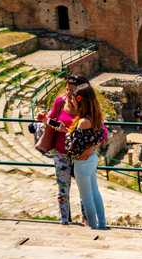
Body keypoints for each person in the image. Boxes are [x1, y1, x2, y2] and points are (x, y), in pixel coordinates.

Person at [36, 74, 97, 225]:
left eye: (72, 90)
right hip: (61, 152)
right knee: (63, 189)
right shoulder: (60, 102)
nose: (68, 93)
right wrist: (44, 119)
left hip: (80, 155)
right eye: (67, 89)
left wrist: (92, 147)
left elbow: (101, 131)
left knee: (84, 189)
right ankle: (64, 221)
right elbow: (52, 121)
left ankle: (87, 220)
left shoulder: (87, 107)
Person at [62, 83, 108, 229]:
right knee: (95, 193)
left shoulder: (82, 122)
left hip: (82, 162)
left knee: (86, 198)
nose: (71, 103)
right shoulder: (95, 118)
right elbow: (100, 135)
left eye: (74, 99)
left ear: (81, 100)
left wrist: (69, 135)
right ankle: (102, 223)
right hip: (92, 158)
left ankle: (94, 228)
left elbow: (72, 147)